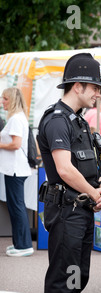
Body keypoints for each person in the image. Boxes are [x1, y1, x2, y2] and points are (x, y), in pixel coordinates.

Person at [36, 53, 101, 293]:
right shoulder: (57, 120)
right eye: (95, 88)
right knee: (63, 284)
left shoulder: (78, 121)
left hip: (82, 211)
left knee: (77, 279)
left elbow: (91, 167)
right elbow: (65, 169)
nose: (98, 94)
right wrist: (93, 193)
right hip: (67, 212)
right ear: (78, 86)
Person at [0, 87, 33, 257]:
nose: (2, 102)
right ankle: (19, 243)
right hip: (14, 169)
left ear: (11, 100)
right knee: (15, 207)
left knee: (17, 207)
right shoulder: (17, 118)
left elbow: (15, 144)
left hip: (15, 169)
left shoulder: (15, 119)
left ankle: (24, 245)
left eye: (4, 99)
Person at [84, 95, 101, 165]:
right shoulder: (96, 113)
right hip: (96, 150)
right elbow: (92, 129)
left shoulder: (91, 112)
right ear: (99, 103)